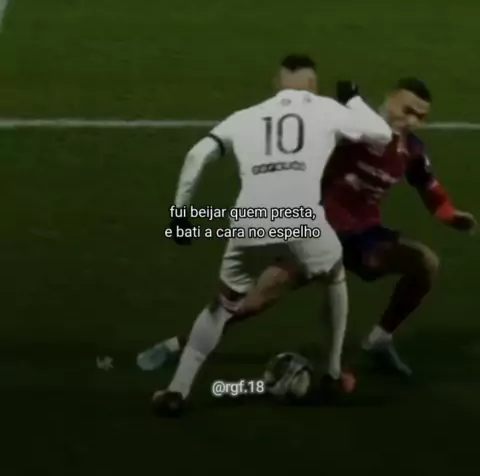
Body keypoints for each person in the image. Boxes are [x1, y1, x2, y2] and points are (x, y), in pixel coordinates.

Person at [139, 77, 476, 379]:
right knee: (251, 301)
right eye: (408, 110)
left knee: (425, 263)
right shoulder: (350, 130)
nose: (413, 120)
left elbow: (430, 189)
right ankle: (177, 345)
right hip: (314, 232)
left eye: (421, 116)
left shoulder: (412, 150)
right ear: (389, 100)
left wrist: (450, 215)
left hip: (365, 238)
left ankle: (379, 340)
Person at [151, 54, 392, 416]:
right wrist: (354, 99)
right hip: (301, 218)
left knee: (223, 305)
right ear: (313, 84)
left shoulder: (243, 116)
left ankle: (177, 391)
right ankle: (332, 372)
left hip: (249, 219)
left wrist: (181, 213)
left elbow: (196, 155)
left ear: (276, 84)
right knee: (333, 274)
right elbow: (382, 134)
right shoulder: (327, 108)